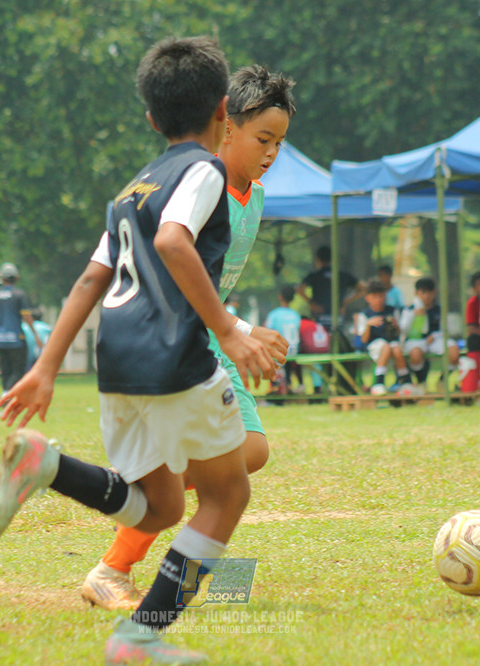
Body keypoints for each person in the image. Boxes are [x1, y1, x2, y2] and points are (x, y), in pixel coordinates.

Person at [0, 37, 284, 665]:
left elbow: (91, 279)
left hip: (118, 363)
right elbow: (176, 243)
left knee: (163, 506)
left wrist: (45, 368)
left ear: (151, 118)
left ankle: (46, 466)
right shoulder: (202, 171)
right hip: (176, 356)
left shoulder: (133, 188)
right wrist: (229, 331)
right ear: (225, 111)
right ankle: (138, 638)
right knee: (227, 497)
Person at [80, 63, 295, 611]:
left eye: (280, 142)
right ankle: (117, 566)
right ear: (226, 125)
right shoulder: (199, 184)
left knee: (252, 454)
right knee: (226, 475)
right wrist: (241, 329)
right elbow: (169, 261)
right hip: (178, 343)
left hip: (210, 339)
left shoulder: (257, 195)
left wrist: (236, 331)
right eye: (262, 138)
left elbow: (210, 278)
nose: (271, 152)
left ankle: (137, 501)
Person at [399, 277, 460, 390]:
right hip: (415, 341)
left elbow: (447, 329)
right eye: (423, 292)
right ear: (416, 293)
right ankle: (421, 381)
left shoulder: (439, 310)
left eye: (429, 292)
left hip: (435, 340)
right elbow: (403, 330)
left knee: (453, 351)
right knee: (416, 354)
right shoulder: (408, 310)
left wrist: (435, 336)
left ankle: (442, 380)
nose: (426, 296)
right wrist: (414, 315)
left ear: (434, 293)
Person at [0, 262, 41, 394]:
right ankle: (7, 393)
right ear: (17, 277)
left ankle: (7, 395)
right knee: (18, 370)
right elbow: (26, 315)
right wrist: (35, 334)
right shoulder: (19, 295)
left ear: (2, 278)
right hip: (16, 339)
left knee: (5, 370)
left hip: (0, 340)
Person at [356, 279, 409, 394]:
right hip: (374, 345)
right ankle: (378, 383)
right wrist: (368, 325)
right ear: (368, 298)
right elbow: (364, 339)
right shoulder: (364, 315)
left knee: (396, 349)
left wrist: (396, 326)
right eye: (375, 297)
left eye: (381, 296)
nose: (378, 300)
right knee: (386, 347)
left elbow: (399, 333)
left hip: (391, 342)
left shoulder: (392, 311)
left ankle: (404, 381)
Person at [297, 245, 363, 329]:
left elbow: (299, 289)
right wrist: (344, 302)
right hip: (337, 317)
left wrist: (312, 303)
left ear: (318, 260)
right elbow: (363, 288)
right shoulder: (343, 275)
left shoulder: (314, 276)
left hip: (320, 317)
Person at [265, 284, 303, 392]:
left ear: (280, 297)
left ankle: (275, 387)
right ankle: (289, 385)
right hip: (294, 350)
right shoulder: (296, 315)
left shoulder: (274, 314)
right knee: (288, 361)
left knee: (271, 355)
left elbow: (268, 332)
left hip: (280, 350)